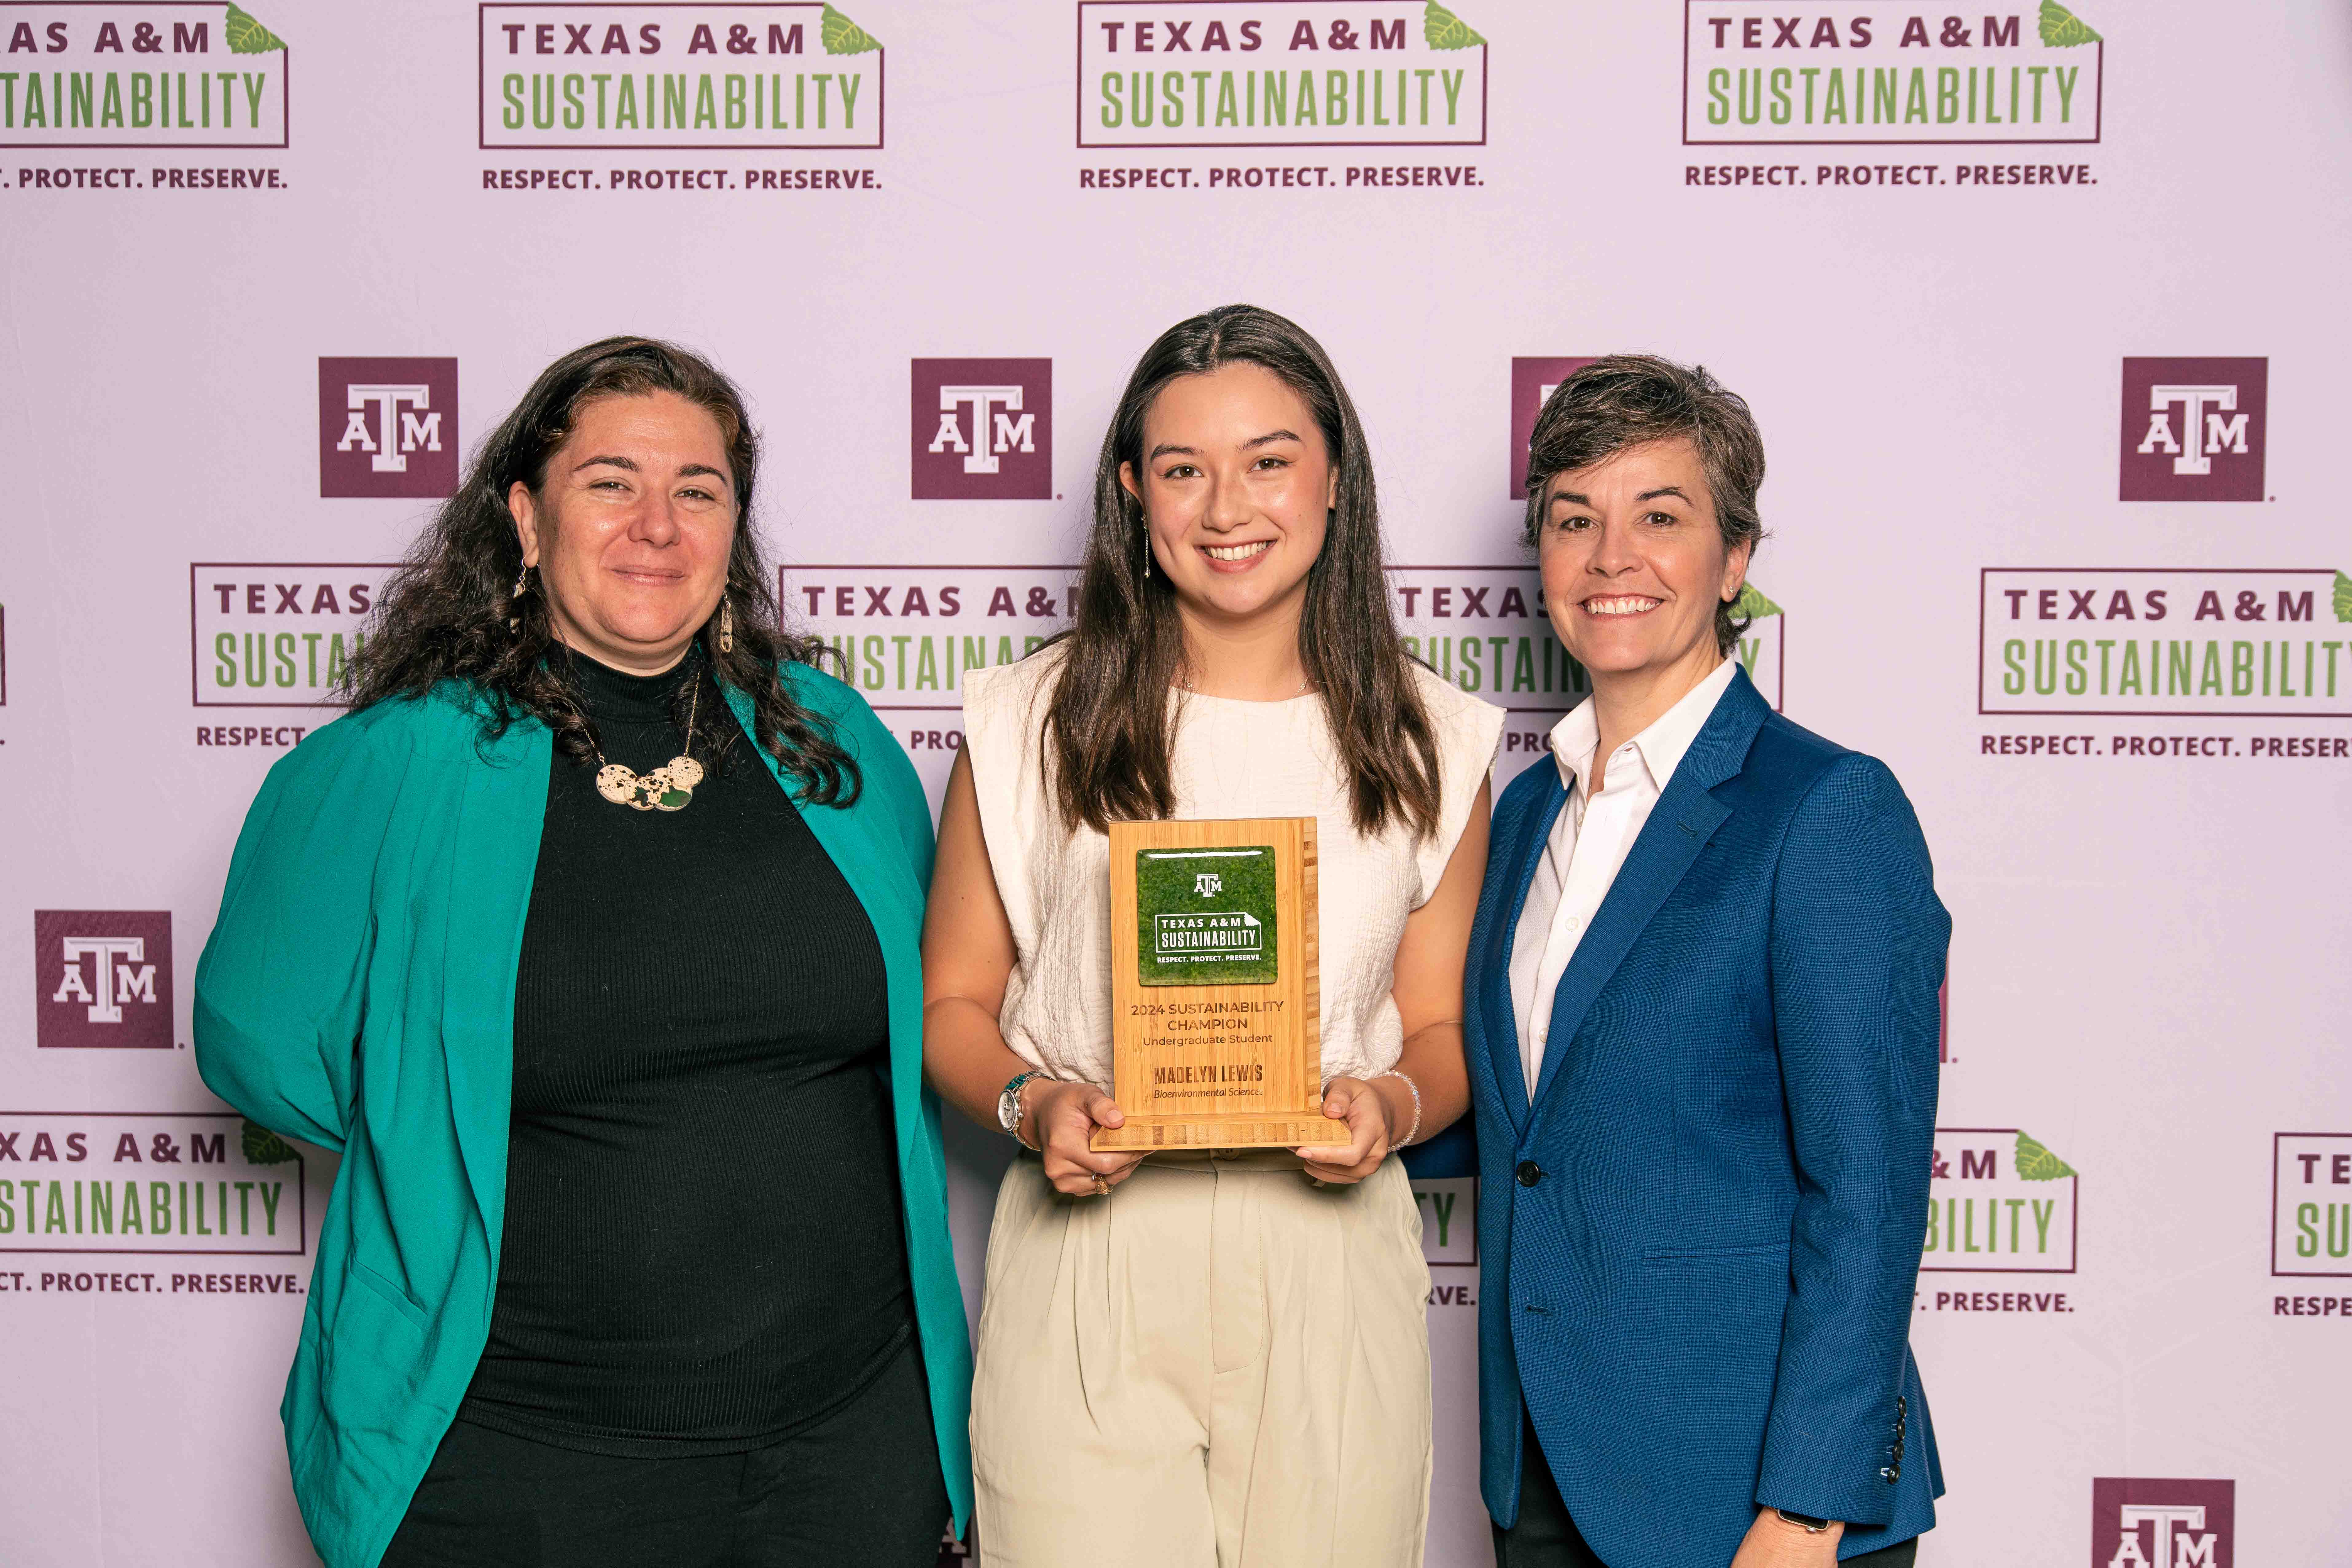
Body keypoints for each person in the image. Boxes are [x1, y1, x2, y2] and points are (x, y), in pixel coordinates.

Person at [194, 337, 971, 1568]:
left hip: (846, 1450)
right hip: (524, 1465)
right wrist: (434, 1104)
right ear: (525, 513)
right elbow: (259, 1036)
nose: (656, 524)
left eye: (699, 490)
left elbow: (932, 1005)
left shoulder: (839, 741)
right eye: (611, 481)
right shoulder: (395, 768)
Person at [921, 304, 1501, 1567]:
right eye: (1182, 468)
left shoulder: (1432, 735)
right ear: (1133, 494)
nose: (1226, 505)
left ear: (1334, 476)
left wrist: (1392, 1106)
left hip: (1331, 1244)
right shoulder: (1028, 718)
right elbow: (951, 1006)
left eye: (1269, 459)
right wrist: (1033, 1104)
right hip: (1091, 1238)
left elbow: (1447, 1026)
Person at [1466, 356, 1947, 1568]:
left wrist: (1804, 1509)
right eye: (1575, 519)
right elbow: (1530, 1117)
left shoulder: (1825, 808)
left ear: (1733, 562)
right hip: (1544, 1480)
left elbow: (1868, 1188)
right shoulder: (1524, 814)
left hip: (1749, 1503)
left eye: (1659, 517)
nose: (1610, 554)